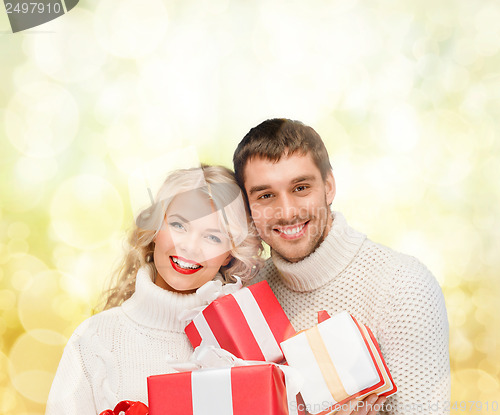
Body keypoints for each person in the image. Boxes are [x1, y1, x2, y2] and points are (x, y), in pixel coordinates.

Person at [233, 119, 450, 415]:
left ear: (329, 187)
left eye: (300, 187)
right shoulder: (245, 294)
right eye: (266, 195)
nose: (287, 212)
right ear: (247, 206)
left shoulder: (403, 285)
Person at [45, 165, 263, 415]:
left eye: (213, 237)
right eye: (179, 225)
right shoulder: (93, 340)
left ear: (228, 255)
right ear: (155, 230)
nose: (190, 247)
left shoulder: (242, 348)